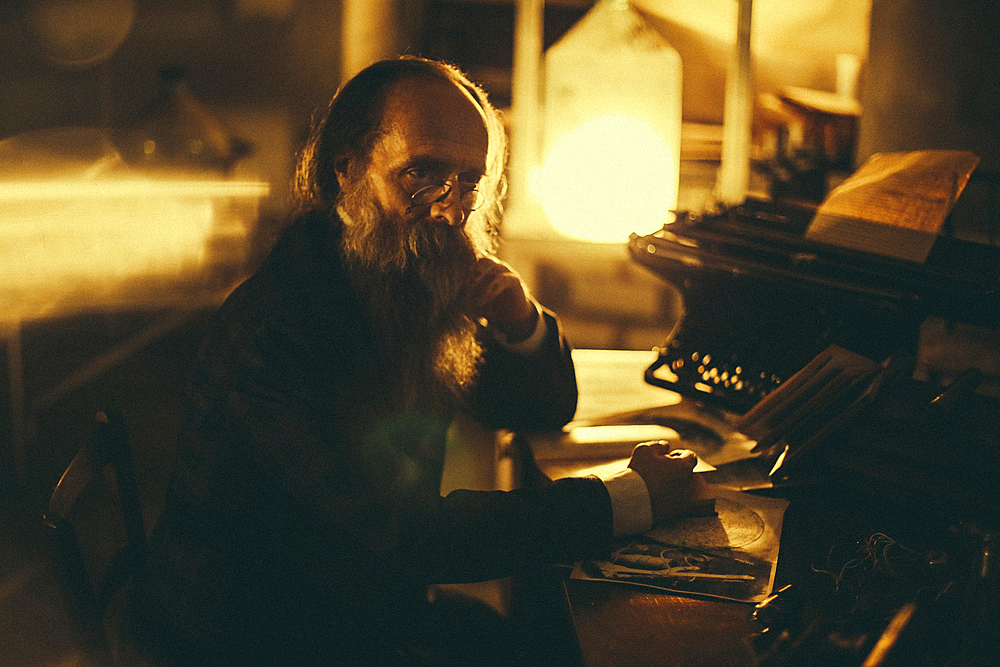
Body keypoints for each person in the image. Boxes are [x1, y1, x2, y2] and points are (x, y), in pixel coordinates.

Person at [129, 56, 710, 666]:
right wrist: (629, 497)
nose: (447, 209)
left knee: (543, 638)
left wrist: (522, 324)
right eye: (421, 175)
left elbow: (538, 407)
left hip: (356, 601)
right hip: (253, 635)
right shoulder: (280, 326)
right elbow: (412, 534)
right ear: (346, 170)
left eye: (467, 183)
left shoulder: (398, 274)